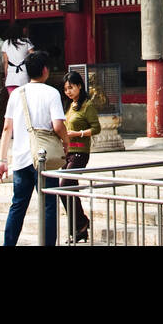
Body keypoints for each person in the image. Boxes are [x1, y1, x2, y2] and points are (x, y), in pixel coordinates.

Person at [0, 49, 67, 246]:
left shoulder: (16, 94)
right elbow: (58, 126)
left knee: (18, 205)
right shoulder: (52, 93)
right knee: (49, 206)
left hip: (20, 159)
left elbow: (6, 128)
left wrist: (2, 160)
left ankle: (8, 244)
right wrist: (66, 143)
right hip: (46, 159)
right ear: (45, 70)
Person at [60, 71, 101, 242]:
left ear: (79, 86)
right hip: (68, 152)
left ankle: (81, 222)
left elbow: (96, 128)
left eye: (71, 88)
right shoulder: (70, 105)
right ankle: (79, 229)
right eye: (65, 89)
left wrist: (79, 133)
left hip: (80, 152)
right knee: (67, 189)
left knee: (65, 185)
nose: (68, 92)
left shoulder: (87, 105)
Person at [0, 22, 34, 95]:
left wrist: (6, 76)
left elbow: (5, 62)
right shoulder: (26, 41)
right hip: (23, 74)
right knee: (24, 100)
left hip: (11, 76)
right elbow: (33, 57)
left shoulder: (6, 43)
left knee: (13, 100)